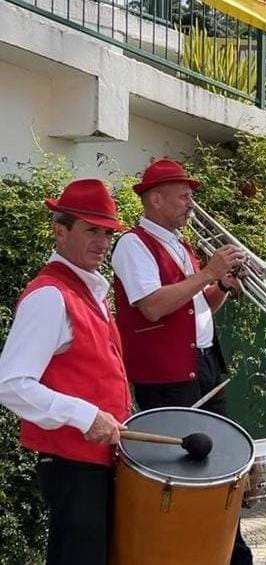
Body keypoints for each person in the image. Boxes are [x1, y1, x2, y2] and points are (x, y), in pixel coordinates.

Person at [111, 158, 252, 564]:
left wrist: (221, 285)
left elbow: (197, 307)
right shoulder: (134, 244)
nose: (191, 204)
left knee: (221, 464)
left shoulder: (181, 244)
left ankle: (227, 552)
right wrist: (208, 273)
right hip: (168, 376)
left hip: (203, 364)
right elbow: (153, 306)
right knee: (185, 475)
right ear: (155, 199)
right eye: (184, 196)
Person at [0, 179, 131, 565]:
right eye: (92, 231)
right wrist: (85, 415)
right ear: (60, 231)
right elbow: (10, 384)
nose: (102, 242)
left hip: (95, 463)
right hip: (72, 465)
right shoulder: (49, 295)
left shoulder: (89, 292)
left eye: (107, 233)